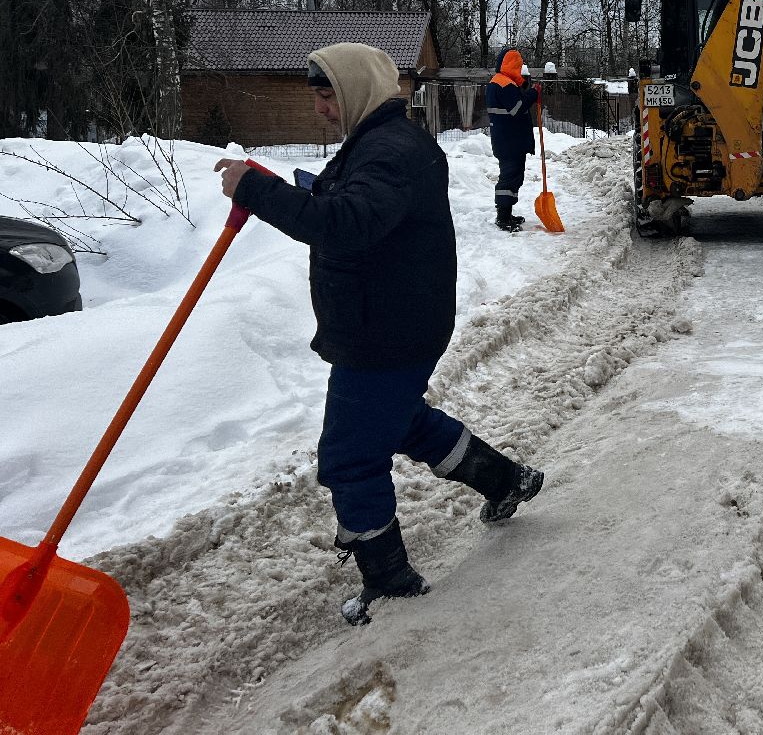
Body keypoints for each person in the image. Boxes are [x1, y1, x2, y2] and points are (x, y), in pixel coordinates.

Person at [214, 42, 543, 625]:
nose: (321, 109)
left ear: (356, 90)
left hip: (385, 331)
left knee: (350, 458)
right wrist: (285, 186)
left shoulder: (389, 151)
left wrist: (255, 192)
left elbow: (347, 223)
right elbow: (351, 205)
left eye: (328, 96)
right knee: (402, 422)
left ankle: (390, 581)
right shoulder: (381, 141)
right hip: (393, 321)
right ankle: (504, 480)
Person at [486, 48, 540, 232]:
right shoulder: (504, 84)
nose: (520, 69)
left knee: (514, 176)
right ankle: (502, 217)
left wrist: (525, 88)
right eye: (518, 66)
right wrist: (533, 94)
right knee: (509, 177)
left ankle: (507, 213)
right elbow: (517, 108)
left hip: (508, 140)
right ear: (512, 65)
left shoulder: (501, 82)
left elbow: (514, 102)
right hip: (510, 141)